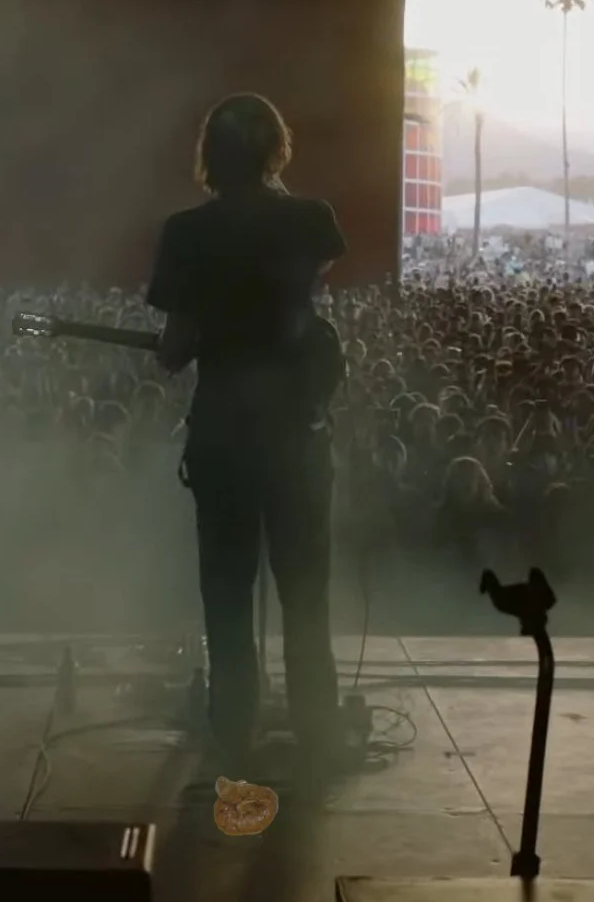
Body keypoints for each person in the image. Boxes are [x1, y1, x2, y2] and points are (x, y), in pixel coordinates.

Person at [144, 92, 349, 790]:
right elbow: (303, 295)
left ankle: (234, 736)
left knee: (227, 598)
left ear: (210, 153)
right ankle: (318, 735)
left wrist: (188, 341)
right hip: (298, 433)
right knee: (306, 596)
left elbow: (176, 347)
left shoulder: (184, 232)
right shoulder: (312, 220)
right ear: (275, 149)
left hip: (225, 434)